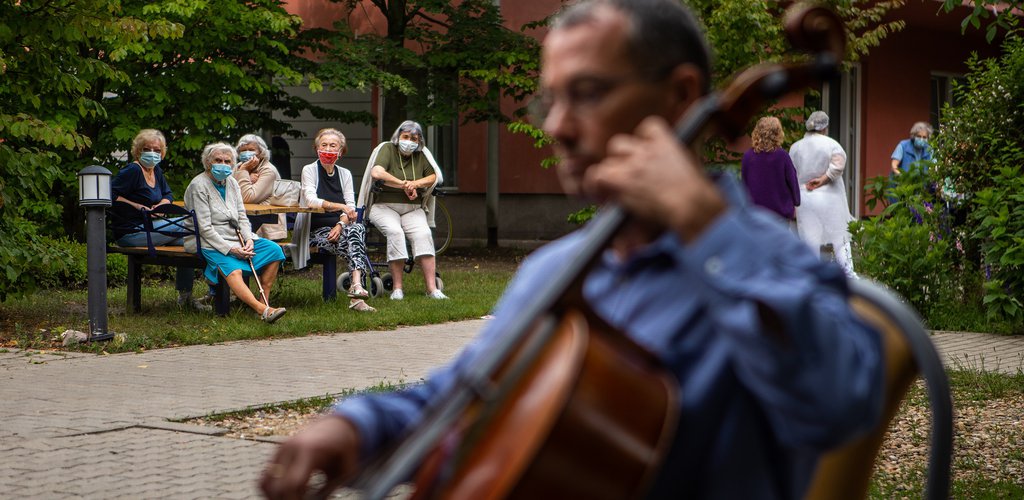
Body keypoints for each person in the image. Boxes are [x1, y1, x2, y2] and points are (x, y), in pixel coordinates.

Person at [260, 1, 883, 498]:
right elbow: (464, 393)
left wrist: (704, 224)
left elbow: (841, 402)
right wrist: (353, 425)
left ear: (681, 96)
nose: (555, 124)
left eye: (585, 92)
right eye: (550, 99)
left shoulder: (769, 259)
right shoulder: (553, 268)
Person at [183, 142, 287, 323]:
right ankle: (262, 310)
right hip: (209, 241)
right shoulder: (198, 185)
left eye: (227, 161)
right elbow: (204, 228)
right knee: (234, 270)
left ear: (232, 164)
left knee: (274, 250)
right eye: (218, 160)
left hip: (238, 238)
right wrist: (231, 249)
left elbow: (241, 216)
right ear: (208, 162)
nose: (222, 164)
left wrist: (249, 240)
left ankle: (265, 301)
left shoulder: (231, 182)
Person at [109, 129, 209, 312]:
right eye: (147, 149)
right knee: (190, 224)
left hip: (152, 229)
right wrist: (137, 206)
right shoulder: (132, 171)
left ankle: (186, 297)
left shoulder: (156, 171)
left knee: (193, 239)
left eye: (157, 150)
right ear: (138, 151)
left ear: (162, 152)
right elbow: (109, 195)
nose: (152, 153)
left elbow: (167, 194)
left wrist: (161, 205)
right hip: (131, 231)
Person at [358, 120, 447, 300]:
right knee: (395, 232)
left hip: (412, 209)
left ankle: (432, 289)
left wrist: (415, 183)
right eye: (405, 137)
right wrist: (403, 185)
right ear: (398, 137)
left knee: (423, 234)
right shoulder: (387, 149)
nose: (409, 141)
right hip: (384, 207)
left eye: (414, 138)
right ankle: (397, 289)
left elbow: (433, 176)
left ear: (419, 141)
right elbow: (377, 172)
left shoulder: (421, 155)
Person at [294, 128, 376, 313]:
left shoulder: (344, 174)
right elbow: (311, 201)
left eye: (333, 145)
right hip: (315, 232)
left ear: (341, 151)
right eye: (324, 145)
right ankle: (357, 297)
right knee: (357, 239)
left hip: (339, 231)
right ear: (317, 149)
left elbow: (351, 207)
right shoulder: (310, 170)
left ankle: (355, 285)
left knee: (356, 232)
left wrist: (340, 224)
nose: (328, 149)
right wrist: (341, 208)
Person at [789, 111, 858, 278]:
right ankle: (849, 275)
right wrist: (824, 179)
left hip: (804, 198)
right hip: (831, 198)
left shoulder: (795, 147)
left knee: (810, 240)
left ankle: (813, 276)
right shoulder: (832, 144)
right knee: (840, 237)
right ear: (825, 127)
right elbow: (838, 165)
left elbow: (791, 172)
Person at [740, 116, 801, 226]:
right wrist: (796, 201)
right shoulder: (782, 156)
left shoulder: (748, 156)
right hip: (779, 213)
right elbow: (792, 181)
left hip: (755, 213)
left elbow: (744, 184)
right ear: (778, 133)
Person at [234, 134, 287, 241]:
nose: (247, 153)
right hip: (246, 221)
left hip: (266, 228)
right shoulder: (238, 167)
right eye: (243, 150)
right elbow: (227, 190)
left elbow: (248, 198)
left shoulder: (268, 170)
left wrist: (243, 172)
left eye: (251, 149)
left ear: (261, 153)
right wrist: (247, 176)